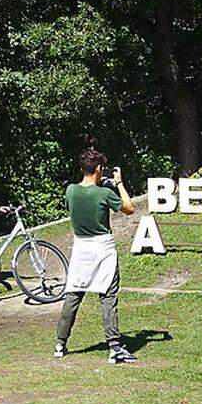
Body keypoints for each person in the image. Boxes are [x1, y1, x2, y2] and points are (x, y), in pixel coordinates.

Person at [55, 145, 137, 364]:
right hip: (103, 248)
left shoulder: (71, 190)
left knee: (73, 294)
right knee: (108, 297)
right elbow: (129, 208)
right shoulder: (104, 193)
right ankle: (114, 348)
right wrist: (119, 183)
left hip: (81, 248)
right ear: (100, 168)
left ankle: (60, 344)